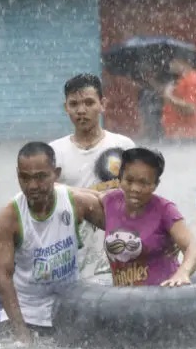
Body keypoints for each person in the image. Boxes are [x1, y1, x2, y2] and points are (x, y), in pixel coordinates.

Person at [0, 141, 106, 344]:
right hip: (22, 308)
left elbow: (122, 227)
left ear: (56, 173)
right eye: (25, 178)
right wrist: (21, 333)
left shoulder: (76, 202)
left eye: (41, 177)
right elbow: (3, 279)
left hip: (65, 306)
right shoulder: (7, 219)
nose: (33, 186)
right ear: (18, 175)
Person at [49, 73, 135, 279]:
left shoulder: (124, 147)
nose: (81, 110)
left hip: (118, 251)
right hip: (72, 254)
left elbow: (140, 199)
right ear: (65, 108)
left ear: (102, 104)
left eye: (89, 103)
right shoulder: (54, 153)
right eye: (74, 104)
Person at [101, 147, 196, 287]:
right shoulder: (110, 201)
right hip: (122, 302)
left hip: (160, 299)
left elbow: (192, 246)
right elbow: (80, 197)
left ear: (155, 185)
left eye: (144, 183)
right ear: (120, 178)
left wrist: (183, 272)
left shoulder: (166, 210)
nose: (135, 188)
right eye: (129, 180)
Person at [161, 51, 196, 140]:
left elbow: (191, 108)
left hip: (186, 136)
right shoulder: (179, 79)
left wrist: (169, 97)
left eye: (172, 62)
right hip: (175, 135)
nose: (170, 65)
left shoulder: (192, 79)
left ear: (181, 62)